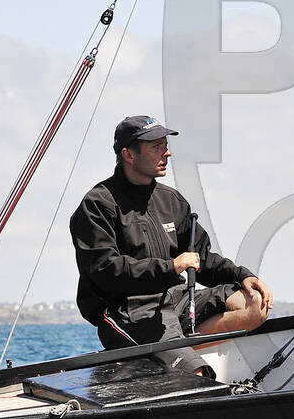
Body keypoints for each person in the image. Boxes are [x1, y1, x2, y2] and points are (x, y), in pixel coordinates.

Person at [72, 114, 273, 351]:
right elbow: (107, 271)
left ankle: (179, 354)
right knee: (191, 369)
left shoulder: (171, 201)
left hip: (177, 300)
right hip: (128, 311)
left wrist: (243, 276)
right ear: (129, 155)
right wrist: (171, 267)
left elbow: (201, 258)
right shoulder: (97, 204)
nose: (167, 153)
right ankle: (179, 359)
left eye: (165, 146)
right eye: (156, 147)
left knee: (254, 303)